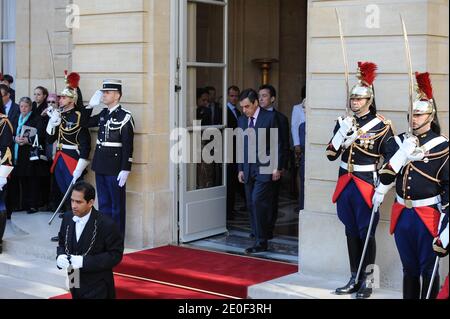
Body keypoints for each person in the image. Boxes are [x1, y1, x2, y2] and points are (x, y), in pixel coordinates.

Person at [373, 72, 448, 299]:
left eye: (419, 115)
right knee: (409, 269)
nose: (413, 119)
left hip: (428, 215)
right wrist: (402, 154)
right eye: (411, 114)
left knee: (428, 269)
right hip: (403, 213)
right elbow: (385, 178)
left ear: (430, 116)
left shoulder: (441, 147)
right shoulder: (399, 143)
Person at [326, 62, 394, 299]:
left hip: (367, 183)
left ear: (369, 100)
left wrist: (383, 187)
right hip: (346, 182)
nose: (354, 102)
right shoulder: (344, 122)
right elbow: (330, 155)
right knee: (350, 231)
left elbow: (394, 159)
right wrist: (341, 134)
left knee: (367, 234)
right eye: (352, 99)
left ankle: (369, 282)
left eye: (358, 99)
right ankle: (354, 277)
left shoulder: (382, 127)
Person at [56, 181, 124, 299]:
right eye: (72, 200)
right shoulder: (67, 217)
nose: (73, 206)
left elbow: (115, 255)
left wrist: (83, 262)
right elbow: (62, 241)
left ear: (91, 202)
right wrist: (60, 256)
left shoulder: (107, 224)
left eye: (78, 202)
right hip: (73, 277)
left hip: (97, 284)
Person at [47, 72, 91, 242]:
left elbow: (85, 143)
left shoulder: (79, 117)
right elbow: (50, 139)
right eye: (60, 98)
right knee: (65, 199)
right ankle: (66, 233)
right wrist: (52, 122)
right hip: (59, 158)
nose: (60, 100)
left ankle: (79, 232)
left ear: (72, 100)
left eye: (64, 98)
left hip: (73, 160)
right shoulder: (60, 115)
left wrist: (80, 166)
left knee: (76, 199)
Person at [86, 80, 134, 236]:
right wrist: (90, 106)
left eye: (107, 92)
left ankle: (117, 238)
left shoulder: (125, 116)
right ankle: (105, 236)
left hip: (115, 167)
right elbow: (84, 123)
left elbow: (128, 145)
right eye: (103, 92)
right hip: (100, 165)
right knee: (104, 204)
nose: (104, 95)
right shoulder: (103, 113)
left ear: (117, 95)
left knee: (116, 205)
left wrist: (126, 168)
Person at [238, 89, 282, 254]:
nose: (244, 110)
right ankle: (258, 235)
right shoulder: (242, 120)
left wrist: (277, 167)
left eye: (247, 106)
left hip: (265, 167)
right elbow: (241, 146)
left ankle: (261, 241)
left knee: (258, 201)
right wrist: (240, 169)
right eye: (242, 107)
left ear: (255, 103)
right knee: (250, 204)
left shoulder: (270, 117)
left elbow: (277, 143)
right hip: (248, 169)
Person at [258, 85, 290, 239]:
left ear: (272, 99)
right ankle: (258, 230)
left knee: (271, 199)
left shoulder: (281, 118)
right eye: (259, 96)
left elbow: (283, 144)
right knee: (256, 200)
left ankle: (268, 229)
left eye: (264, 96)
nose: (261, 99)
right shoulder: (253, 117)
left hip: (273, 166)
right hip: (256, 165)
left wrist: (280, 166)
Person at [11, 97, 46, 214]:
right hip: (18, 154)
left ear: (30, 107)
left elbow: (41, 135)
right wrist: (14, 138)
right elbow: (11, 133)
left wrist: (28, 140)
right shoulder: (16, 118)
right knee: (20, 180)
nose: (23, 109)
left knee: (31, 180)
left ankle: (32, 205)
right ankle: (22, 204)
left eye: (26, 106)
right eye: (21, 106)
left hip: (30, 154)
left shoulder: (36, 118)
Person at [226, 86, 242, 220]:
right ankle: (227, 211)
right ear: (227, 96)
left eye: (236, 96)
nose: (234, 98)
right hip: (227, 151)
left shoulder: (238, 111)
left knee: (234, 181)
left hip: (237, 151)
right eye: (232, 96)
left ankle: (231, 209)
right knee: (229, 182)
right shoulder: (223, 111)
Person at [0, 102, 14, 254]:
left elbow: (6, 150)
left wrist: (2, 175)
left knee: (0, 204)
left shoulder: (4, 121)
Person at [292, 86, 307, 210]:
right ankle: (301, 204)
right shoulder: (297, 108)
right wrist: (296, 144)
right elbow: (294, 126)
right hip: (302, 147)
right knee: (301, 175)